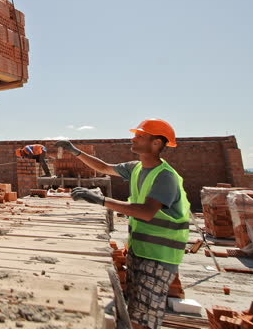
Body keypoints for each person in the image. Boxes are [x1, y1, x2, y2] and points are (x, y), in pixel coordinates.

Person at [55, 119, 190, 329]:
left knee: (143, 318)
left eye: (140, 136)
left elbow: (146, 212)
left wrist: (102, 201)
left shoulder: (165, 177)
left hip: (159, 256)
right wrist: (75, 151)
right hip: (141, 250)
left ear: (156, 143)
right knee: (135, 308)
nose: (133, 139)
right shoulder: (136, 168)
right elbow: (103, 167)